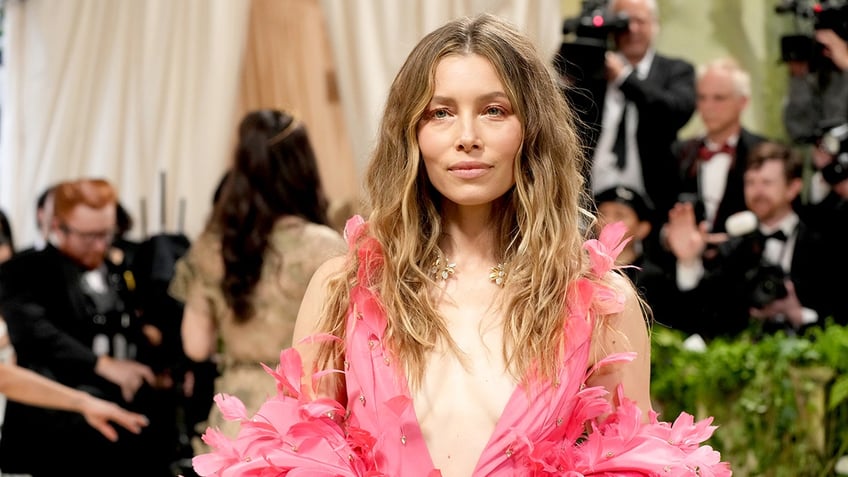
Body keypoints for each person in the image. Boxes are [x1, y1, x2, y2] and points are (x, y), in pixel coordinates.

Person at [191, 14, 729, 477]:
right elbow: (298, 456)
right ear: (412, 133)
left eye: (494, 110)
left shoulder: (598, 299)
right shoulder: (344, 287)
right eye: (440, 111)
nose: (466, 134)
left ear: (532, 131)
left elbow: (633, 459)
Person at [168, 109, 347, 450]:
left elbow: (196, 345)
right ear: (304, 167)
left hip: (236, 422)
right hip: (304, 421)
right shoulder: (325, 247)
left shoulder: (214, 246)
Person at [0, 178, 173, 476]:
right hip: (52, 430)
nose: (100, 245)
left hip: (118, 427)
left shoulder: (121, 267)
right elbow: (34, 334)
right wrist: (101, 364)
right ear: (58, 226)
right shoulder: (25, 270)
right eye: (88, 236)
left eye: (106, 234)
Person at [665, 141, 839, 339]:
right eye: (750, 182)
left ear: (793, 188)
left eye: (767, 183)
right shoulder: (734, 245)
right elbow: (696, 315)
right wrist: (688, 261)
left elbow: (837, 315)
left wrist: (797, 313)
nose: (757, 192)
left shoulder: (823, 242)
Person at [583, 0, 696, 221]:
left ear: (655, 25)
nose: (632, 29)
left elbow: (674, 112)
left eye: (640, 21)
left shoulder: (676, 70)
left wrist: (625, 79)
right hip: (590, 198)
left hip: (653, 200)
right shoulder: (593, 71)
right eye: (624, 21)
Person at [668, 57, 768, 251]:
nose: (708, 107)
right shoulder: (680, 152)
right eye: (702, 97)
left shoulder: (763, 152)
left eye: (719, 98)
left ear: (743, 102)